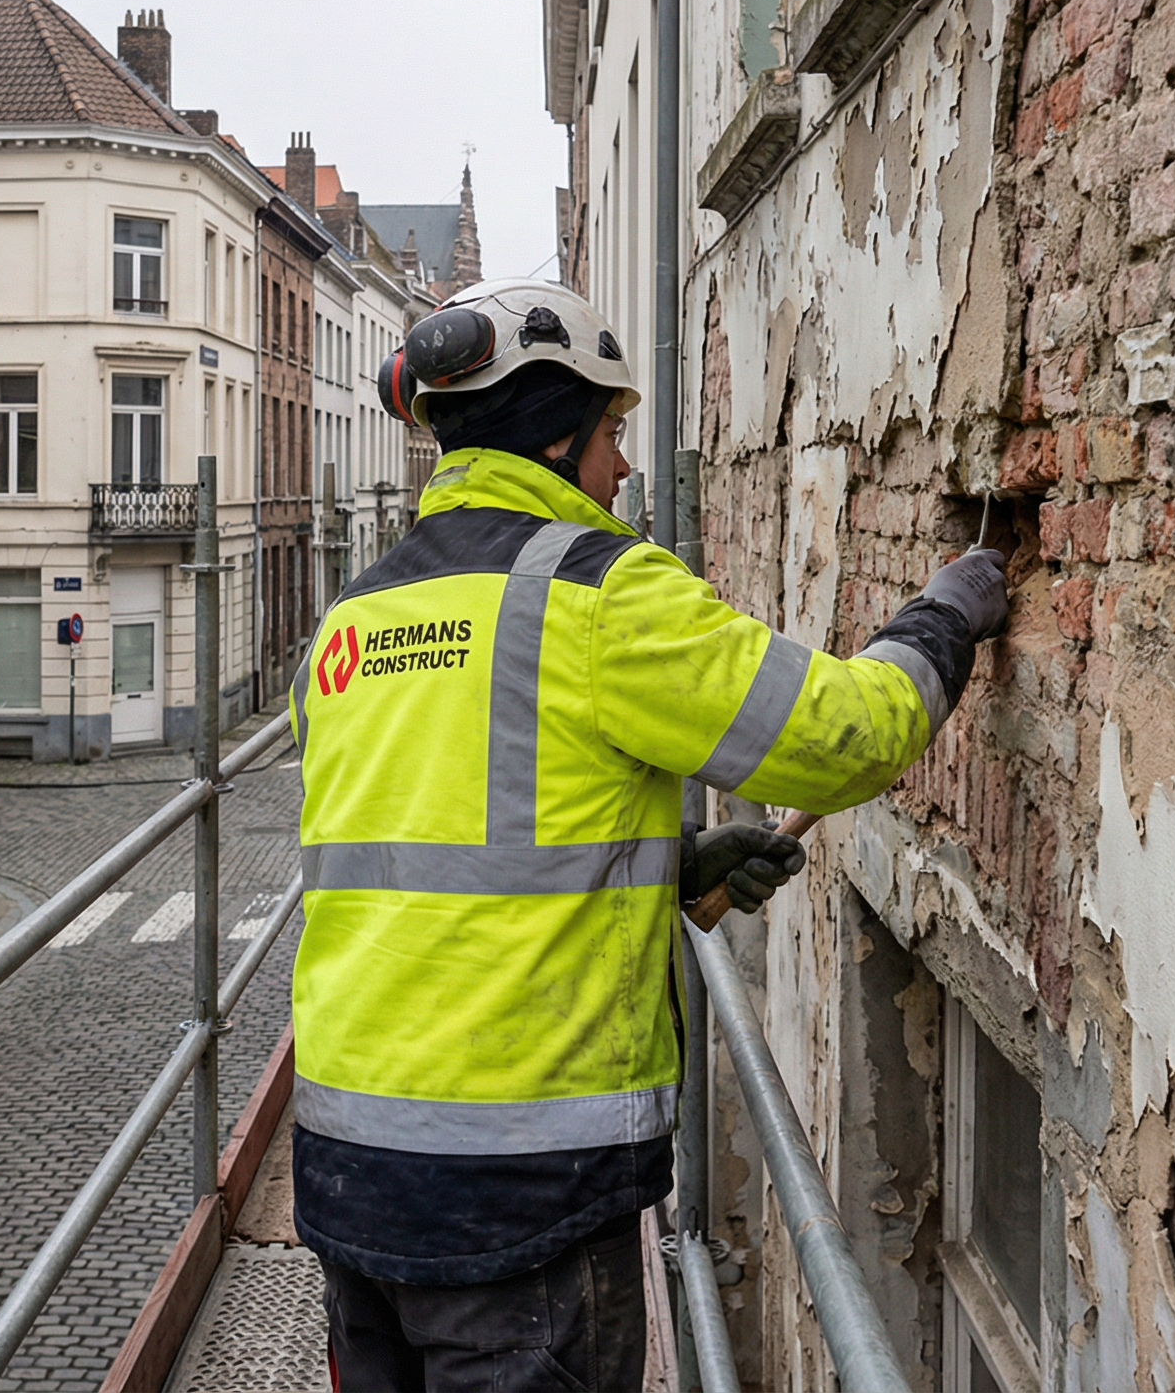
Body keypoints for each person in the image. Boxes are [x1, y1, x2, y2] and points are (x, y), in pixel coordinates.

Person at [288, 278, 1008, 1393]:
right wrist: (945, 614)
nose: (624, 467)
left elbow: (437, 848)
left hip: (348, 1177)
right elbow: (845, 734)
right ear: (558, 434)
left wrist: (667, 869)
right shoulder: (596, 593)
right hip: (518, 1195)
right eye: (613, 434)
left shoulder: (352, 617)